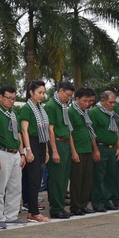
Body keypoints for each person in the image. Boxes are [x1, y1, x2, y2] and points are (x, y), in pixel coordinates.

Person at [0, 84, 27, 228]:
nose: (11, 101)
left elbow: (18, 133)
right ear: (0, 97)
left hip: (15, 152)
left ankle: (11, 215)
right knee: (0, 187)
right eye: (8, 98)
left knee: (15, 186)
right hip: (2, 151)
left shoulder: (13, 113)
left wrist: (22, 152)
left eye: (13, 98)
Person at [19, 80, 51, 222]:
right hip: (32, 143)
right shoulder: (27, 108)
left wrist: (47, 151)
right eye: (39, 92)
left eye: (43, 93)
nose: (42, 96)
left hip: (41, 144)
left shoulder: (40, 108)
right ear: (31, 92)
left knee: (38, 179)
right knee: (33, 179)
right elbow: (24, 131)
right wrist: (28, 150)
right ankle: (33, 212)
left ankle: (34, 210)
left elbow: (45, 130)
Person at [45, 81, 77, 218]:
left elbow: (69, 129)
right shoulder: (51, 106)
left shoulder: (63, 106)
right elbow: (50, 130)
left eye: (71, 96)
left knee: (64, 178)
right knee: (57, 178)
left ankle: (61, 206)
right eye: (67, 95)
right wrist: (54, 150)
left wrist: (73, 150)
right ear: (61, 91)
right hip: (57, 143)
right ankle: (56, 208)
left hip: (65, 144)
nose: (68, 98)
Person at [89, 90, 119, 211]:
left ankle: (107, 199)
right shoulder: (95, 112)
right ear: (102, 101)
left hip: (112, 148)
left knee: (110, 176)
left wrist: (118, 147)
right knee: (99, 176)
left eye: (114, 103)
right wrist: (95, 149)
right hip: (101, 147)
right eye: (110, 102)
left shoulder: (112, 113)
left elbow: (116, 130)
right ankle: (98, 202)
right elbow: (91, 132)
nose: (113, 105)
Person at [68, 87, 99, 214]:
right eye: (84, 101)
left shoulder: (85, 112)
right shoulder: (71, 112)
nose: (87, 104)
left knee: (87, 179)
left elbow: (90, 132)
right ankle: (75, 206)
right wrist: (73, 151)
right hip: (78, 150)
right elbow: (69, 133)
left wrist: (95, 149)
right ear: (77, 99)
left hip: (87, 150)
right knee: (77, 180)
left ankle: (83, 204)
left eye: (89, 101)